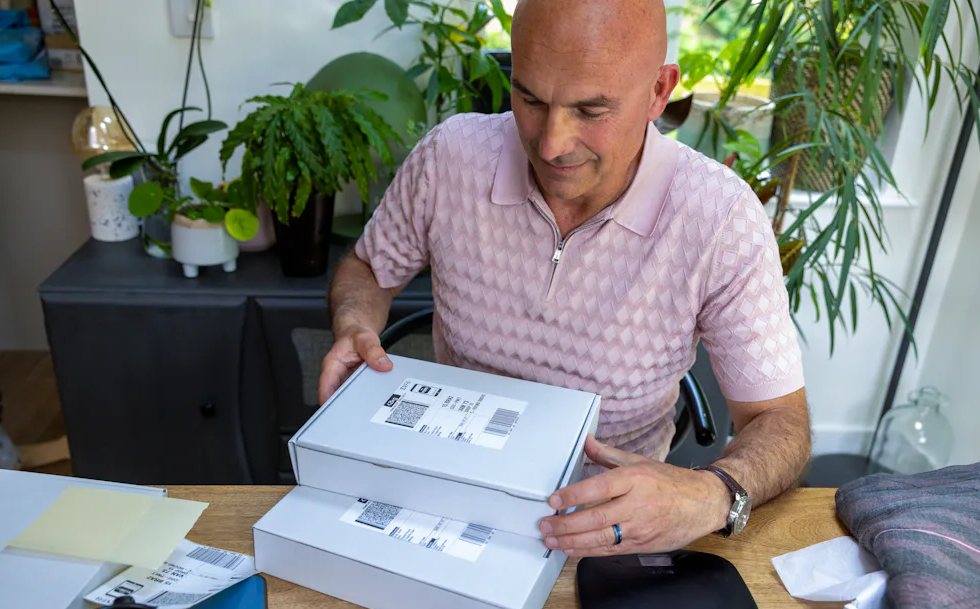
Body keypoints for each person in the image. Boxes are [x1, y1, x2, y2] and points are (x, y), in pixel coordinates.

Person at [319, 0, 811, 558]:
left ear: (659, 91)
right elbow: (368, 268)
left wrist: (712, 493)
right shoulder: (450, 158)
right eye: (529, 98)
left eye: (591, 110)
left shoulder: (719, 218)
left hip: (611, 530)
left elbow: (780, 420)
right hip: (446, 496)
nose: (551, 144)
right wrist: (354, 321)